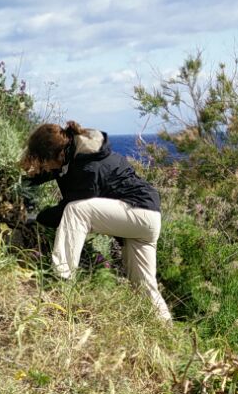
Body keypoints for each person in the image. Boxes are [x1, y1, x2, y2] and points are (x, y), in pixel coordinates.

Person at [20, 121, 172, 320]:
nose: (45, 166)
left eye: (44, 160)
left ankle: (61, 279)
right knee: (145, 288)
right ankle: (170, 338)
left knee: (76, 210)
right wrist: (20, 177)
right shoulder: (76, 155)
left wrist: (35, 218)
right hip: (147, 218)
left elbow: (66, 210)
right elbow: (54, 171)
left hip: (140, 214)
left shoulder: (89, 168)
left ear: (57, 154)